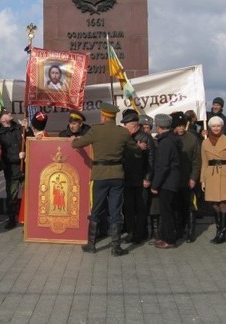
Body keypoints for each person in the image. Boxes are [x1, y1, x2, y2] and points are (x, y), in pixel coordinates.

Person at [72, 102, 137, 256]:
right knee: (115, 211)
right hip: (117, 175)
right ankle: (116, 247)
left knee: (96, 209)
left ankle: (91, 245)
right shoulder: (123, 133)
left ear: (103, 116)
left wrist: (75, 139)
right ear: (114, 117)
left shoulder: (96, 130)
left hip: (100, 175)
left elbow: (77, 144)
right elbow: (134, 148)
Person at [120, 111, 155, 244]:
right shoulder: (126, 138)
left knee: (141, 208)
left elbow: (151, 160)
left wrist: (148, 177)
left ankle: (140, 233)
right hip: (127, 178)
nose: (124, 128)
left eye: (126, 125)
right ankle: (130, 232)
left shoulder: (146, 138)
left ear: (134, 125)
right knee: (128, 208)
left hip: (141, 179)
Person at [0, 110, 33, 230]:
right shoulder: (0, 135)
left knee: (29, 194)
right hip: (12, 171)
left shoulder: (19, 128)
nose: (9, 114)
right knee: (12, 197)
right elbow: (2, 155)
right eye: (6, 114)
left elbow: (31, 140)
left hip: (25, 169)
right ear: (2, 119)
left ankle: (29, 218)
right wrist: (17, 157)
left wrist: (27, 129)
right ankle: (12, 219)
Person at [201, 116, 226, 244]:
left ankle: (222, 233)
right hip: (211, 174)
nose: (216, 128)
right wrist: (202, 179)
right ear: (210, 127)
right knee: (214, 204)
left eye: (218, 126)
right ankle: (218, 230)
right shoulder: (204, 142)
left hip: (225, 174)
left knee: (224, 204)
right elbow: (204, 162)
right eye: (213, 126)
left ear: (222, 127)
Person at [150, 114, 181, 249]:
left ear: (159, 126)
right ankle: (168, 236)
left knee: (166, 211)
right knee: (170, 209)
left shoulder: (165, 142)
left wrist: (155, 185)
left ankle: (169, 239)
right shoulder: (172, 139)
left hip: (167, 181)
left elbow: (162, 166)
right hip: (172, 180)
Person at [170, 111, 201, 243]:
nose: (181, 128)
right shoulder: (170, 138)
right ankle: (179, 229)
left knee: (189, 206)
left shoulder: (192, 139)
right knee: (176, 206)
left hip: (188, 178)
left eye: (183, 125)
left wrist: (193, 178)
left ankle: (190, 231)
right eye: (178, 125)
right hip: (173, 179)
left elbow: (196, 161)